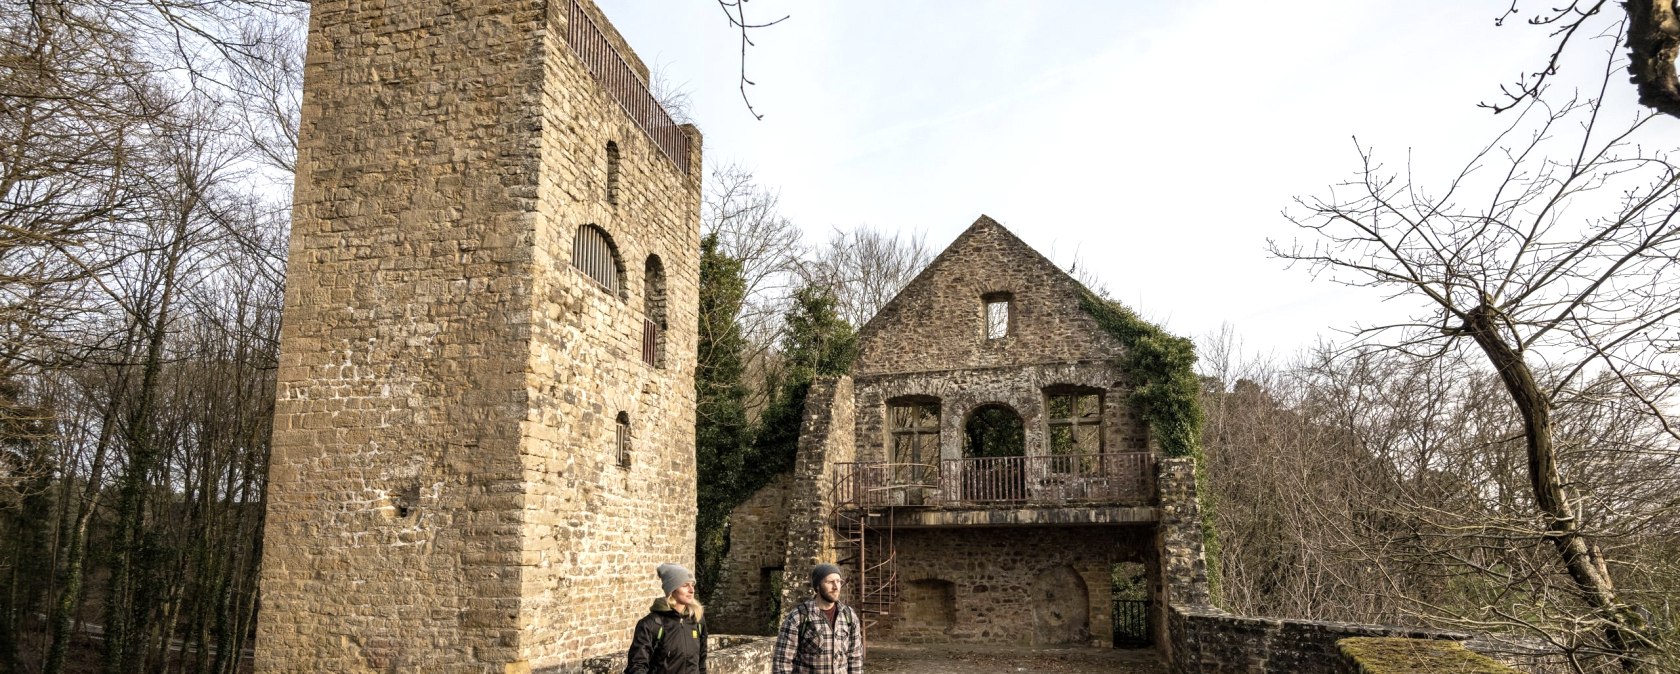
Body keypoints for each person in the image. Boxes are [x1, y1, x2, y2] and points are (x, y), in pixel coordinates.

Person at [771, 563, 862, 674]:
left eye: (838, 581)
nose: (836, 587)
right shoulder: (798, 616)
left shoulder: (848, 615)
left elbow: (855, 658)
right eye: (830, 582)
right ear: (817, 586)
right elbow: (782, 663)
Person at [625, 562, 707, 674]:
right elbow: (637, 666)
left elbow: (701, 664)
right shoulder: (651, 624)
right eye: (685, 585)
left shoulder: (697, 620)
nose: (691, 590)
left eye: (692, 585)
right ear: (672, 590)